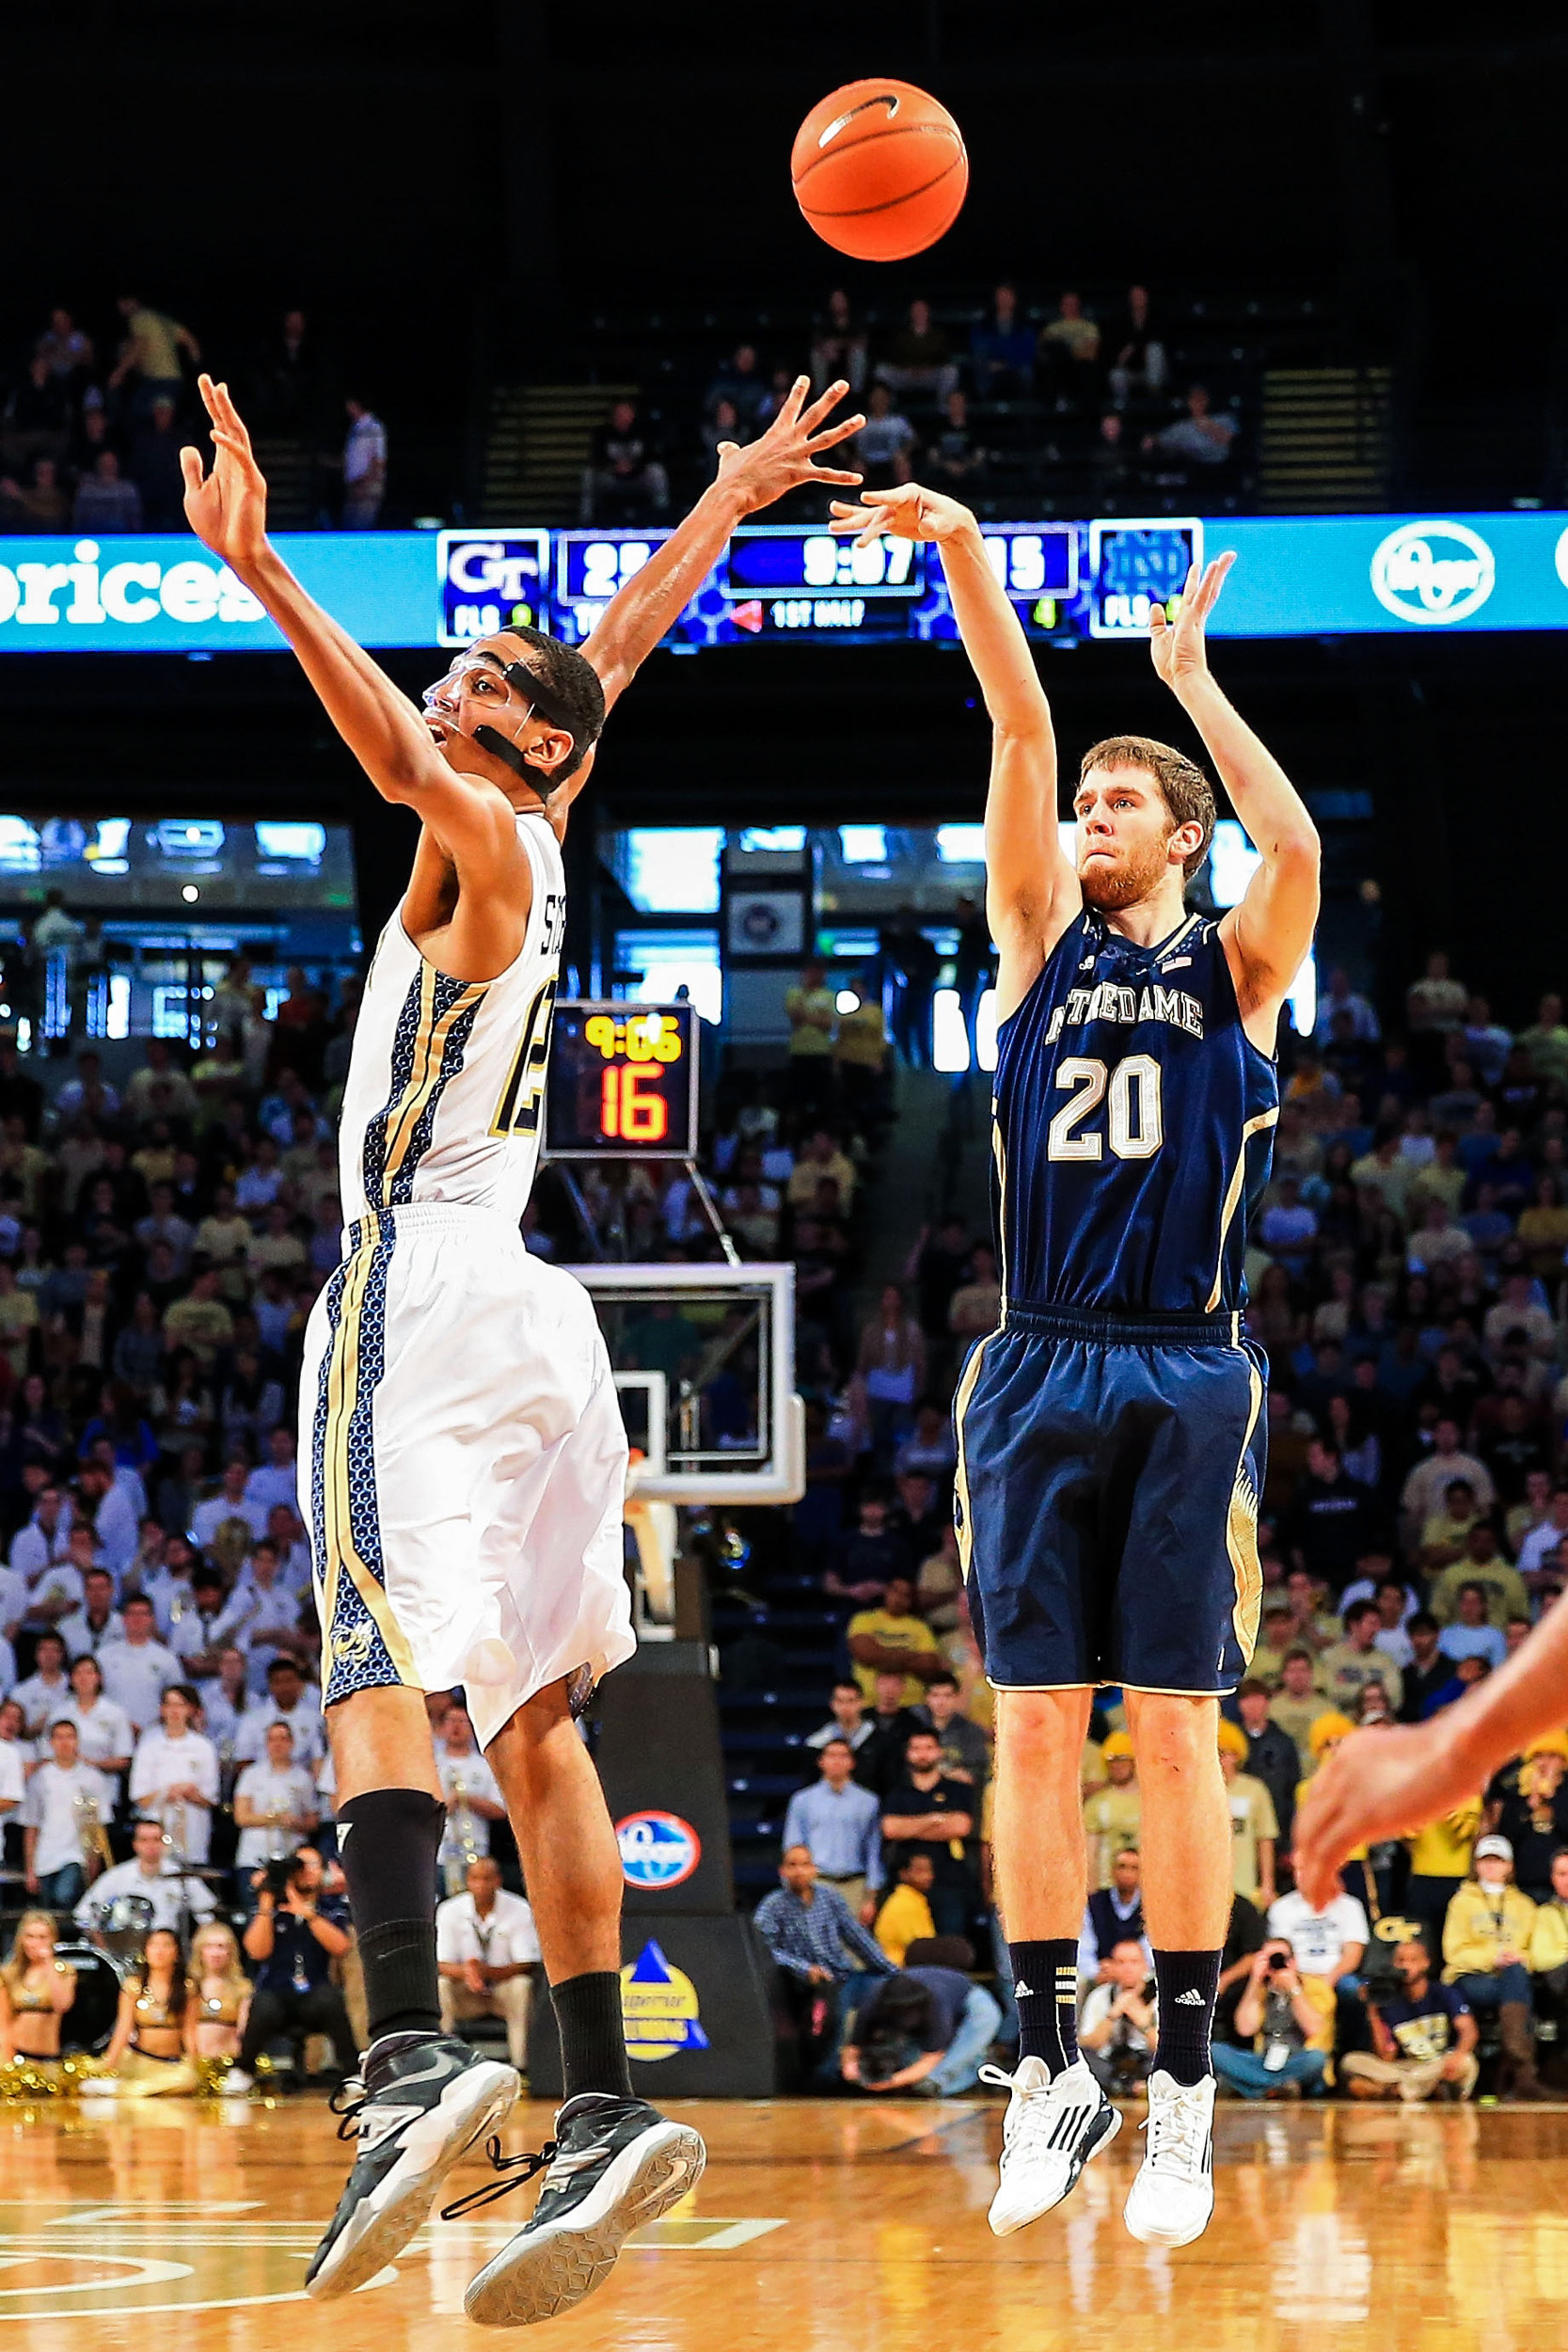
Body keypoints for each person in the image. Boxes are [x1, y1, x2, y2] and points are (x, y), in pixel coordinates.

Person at [180, 367, 863, 2317]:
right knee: (538, 1716)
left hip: (419, 1278)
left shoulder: (473, 817)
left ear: (510, 741)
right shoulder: (549, 816)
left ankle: (405, 2055)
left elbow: (408, 752)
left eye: (476, 672)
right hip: (540, 1317)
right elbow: (615, 656)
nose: (452, 671)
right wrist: (720, 500)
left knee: (369, 1650)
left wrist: (261, 573)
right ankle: (594, 2096)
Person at [826, 480, 1319, 2245]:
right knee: (1032, 1727)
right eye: (1088, 800)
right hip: (1032, 1365)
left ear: (1176, 837)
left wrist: (1189, 684)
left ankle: (1177, 2080)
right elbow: (1021, 715)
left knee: (1175, 1735)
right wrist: (963, 554)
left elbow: (1300, 852)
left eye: (1125, 803)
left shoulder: (1234, 970)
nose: (1089, 811)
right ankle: (1051, 2061)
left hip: (1186, 1367)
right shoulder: (1029, 948)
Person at [222, 1849, 357, 2098]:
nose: (305, 1872)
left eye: (312, 1865)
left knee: (331, 1999)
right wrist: (266, 1903)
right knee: (263, 2003)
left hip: (315, 1994)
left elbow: (341, 1947)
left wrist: (307, 1913)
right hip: (277, 1994)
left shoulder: (331, 1909)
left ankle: (352, 2073)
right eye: (300, 1866)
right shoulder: (270, 1911)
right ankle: (243, 2070)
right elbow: (257, 1952)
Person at [753, 1843, 894, 2080]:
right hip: (808, 1984)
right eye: (792, 1865)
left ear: (815, 1869)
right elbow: (764, 1949)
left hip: (844, 1974)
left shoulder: (829, 1897)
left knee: (887, 1989)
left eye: (805, 1864)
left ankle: (882, 2066)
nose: (799, 1871)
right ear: (782, 1871)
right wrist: (805, 1968)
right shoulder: (773, 1905)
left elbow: (856, 1936)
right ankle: (826, 2076)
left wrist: (891, 1971)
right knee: (835, 2008)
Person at [1440, 1834, 1544, 2098]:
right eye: (1486, 1860)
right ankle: (1522, 2066)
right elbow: (1453, 1953)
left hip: (1511, 1978)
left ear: (1509, 1866)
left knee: (1516, 1973)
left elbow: (1535, 1951)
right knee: (1517, 1982)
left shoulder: (1525, 1905)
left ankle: (1515, 2057)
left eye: (1498, 1861)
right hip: (1471, 1978)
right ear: (1476, 1865)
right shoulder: (1461, 1902)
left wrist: (1520, 1959)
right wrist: (1492, 1957)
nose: (1491, 1867)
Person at [1340, 1937, 1478, 2103]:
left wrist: (1457, 2056)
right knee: (1350, 2061)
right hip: (1407, 2067)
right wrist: (1373, 2013)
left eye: (1413, 1960)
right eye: (1400, 1961)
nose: (1406, 1966)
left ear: (1425, 1963)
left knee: (1467, 2062)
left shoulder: (1444, 1993)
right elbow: (1386, 2056)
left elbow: (1469, 2032)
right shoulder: (1389, 2001)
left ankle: (1390, 2091)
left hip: (1439, 2064)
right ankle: (1422, 2089)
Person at [436, 1856, 541, 2072]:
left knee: (522, 1985)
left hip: (502, 1990)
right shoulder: (449, 1910)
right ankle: (443, 2063)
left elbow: (526, 1963)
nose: (481, 1885)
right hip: (466, 1992)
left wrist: (486, 1972)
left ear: (498, 1881)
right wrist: (469, 1972)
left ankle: (521, 2065)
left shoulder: (519, 1908)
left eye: (487, 1879)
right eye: (475, 1879)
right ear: (467, 1881)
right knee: (441, 1985)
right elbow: (440, 1962)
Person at [844, 1963, 1002, 2097]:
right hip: (930, 2014)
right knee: (911, 2065)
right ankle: (968, 2065)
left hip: (969, 1996)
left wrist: (890, 2082)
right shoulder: (872, 2001)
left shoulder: (937, 2006)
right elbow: (853, 2045)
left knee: (984, 2020)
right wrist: (850, 2068)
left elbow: (932, 2057)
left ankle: (968, 2069)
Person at [80, 1926, 201, 2099]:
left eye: (166, 1945)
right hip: (138, 2060)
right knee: (88, 2078)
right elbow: (123, 2029)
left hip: (171, 2065)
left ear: (177, 1953)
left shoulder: (187, 1988)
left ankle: (126, 2090)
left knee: (188, 2079)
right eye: (154, 1945)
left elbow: (190, 2031)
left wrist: (193, 2063)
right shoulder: (133, 1986)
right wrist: (109, 2064)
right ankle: (136, 2089)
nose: (159, 1951)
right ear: (145, 1951)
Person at [1210, 1935, 1331, 2100]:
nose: (1275, 1964)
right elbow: (1245, 2029)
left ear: (1293, 1962)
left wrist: (1293, 1989)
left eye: (1280, 1958)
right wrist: (1255, 1980)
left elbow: (1314, 2029)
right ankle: (1275, 2088)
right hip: (1264, 2061)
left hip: (1297, 2060)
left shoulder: (1315, 1988)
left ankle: (1253, 2089)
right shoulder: (1260, 1990)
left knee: (1317, 2058)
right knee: (1216, 2050)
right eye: (1269, 1959)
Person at [780, 1738, 883, 1918]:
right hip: (816, 1883)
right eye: (831, 1755)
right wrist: (794, 1889)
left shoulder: (868, 1802)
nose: (837, 1761)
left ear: (852, 1762)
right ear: (821, 1762)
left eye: (843, 1756)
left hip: (854, 1885)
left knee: (851, 1944)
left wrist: (871, 1896)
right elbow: (793, 1846)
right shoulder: (803, 1801)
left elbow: (873, 1850)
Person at [75, 1816, 216, 1941]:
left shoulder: (181, 1875)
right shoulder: (117, 1876)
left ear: (164, 1843)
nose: (151, 1846)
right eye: (144, 1840)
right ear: (135, 1844)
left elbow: (207, 1915)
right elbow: (83, 1914)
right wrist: (103, 1944)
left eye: (156, 1840)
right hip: (128, 1945)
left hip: (168, 1948)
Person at [22, 1717, 110, 1910]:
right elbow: (32, 1826)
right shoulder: (41, 1778)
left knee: (64, 1895)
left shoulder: (93, 1778)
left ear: (77, 1741)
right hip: (45, 1855)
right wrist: (30, 1869)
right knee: (48, 1909)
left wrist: (94, 1864)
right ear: (51, 1742)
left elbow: (98, 1827)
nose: (64, 1743)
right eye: (59, 1737)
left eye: (69, 1737)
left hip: (76, 1854)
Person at [1077, 1939, 1158, 2097]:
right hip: (1111, 2061)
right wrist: (1112, 2015)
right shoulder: (1099, 1996)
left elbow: (1164, 2046)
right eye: (1121, 1962)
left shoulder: (1159, 1997)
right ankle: (1126, 2085)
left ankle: (1134, 2085)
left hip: (1145, 2059)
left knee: (1168, 2059)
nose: (1128, 1968)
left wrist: (1144, 2024)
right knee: (1081, 2057)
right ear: (1112, 1967)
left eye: (1134, 1962)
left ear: (1145, 1966)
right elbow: (1089, 2044)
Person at [0, 1911, 76, 2077]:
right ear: (21, 1939)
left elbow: (62, 2004)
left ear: (53, 1939)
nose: (36, 1943)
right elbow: (4, 2023)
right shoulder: (9, 1973)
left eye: (42, 1937)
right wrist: (9, 2064)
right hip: (16, 2056)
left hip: (48, 2059)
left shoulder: (64, 1971)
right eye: (30, 1936)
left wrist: (49, 1962)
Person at [874, 1853, 939, 1967]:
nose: (928, 1876)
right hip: (899, 1969)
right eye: (920, 1871)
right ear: (903, 1874)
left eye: (929, 1871)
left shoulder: (915, 1900)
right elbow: (919, 1948)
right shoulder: (904, 1904)